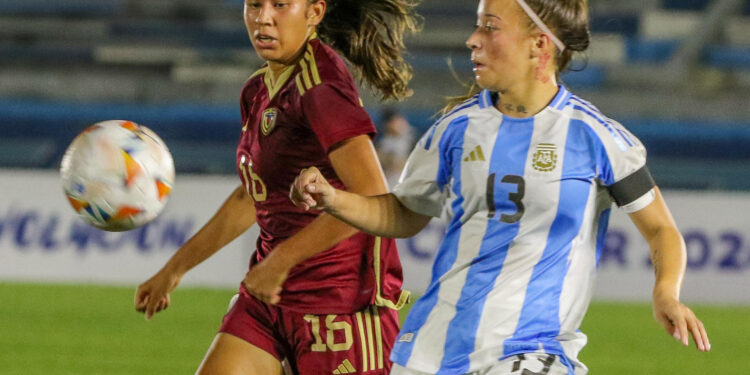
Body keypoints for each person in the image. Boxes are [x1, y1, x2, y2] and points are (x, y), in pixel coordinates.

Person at [290, 0, 711, 373]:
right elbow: (404, 212)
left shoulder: (596, 137)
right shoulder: (454, 130)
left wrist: (666, 293)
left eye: (490, 26)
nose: (473, 40)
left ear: (539, 45)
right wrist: (333, 198)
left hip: (533, 350)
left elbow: (661, 229)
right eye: (477, 25)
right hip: (431, 351)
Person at [134, 1, 421, 374]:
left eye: (280, 5)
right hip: (267, 300)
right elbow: (252, 196)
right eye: (254, 4)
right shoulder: (257, 89)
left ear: (315, 12)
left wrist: (280, 262)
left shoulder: (320, 87)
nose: (263, 17)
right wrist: (175, 269)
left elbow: (372, 199)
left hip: (339, 306)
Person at [376, 107, 415, 187]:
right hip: (388, 184)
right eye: (392, 122)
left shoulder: (412, 139)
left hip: (407, 184)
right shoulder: (382, 141)